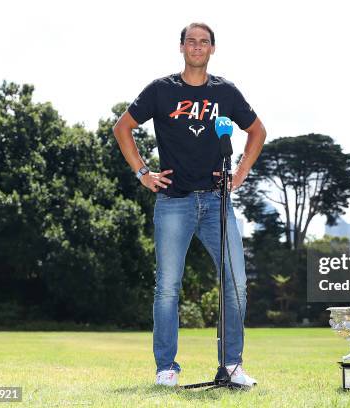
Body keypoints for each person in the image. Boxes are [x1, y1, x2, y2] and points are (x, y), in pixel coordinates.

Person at [112, 22, 266, 387]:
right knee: (167, 287)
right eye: (191, 41)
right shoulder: (161, 91)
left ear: (213, 49)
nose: (197, 47)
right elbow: (123, 127)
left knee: (236, 284)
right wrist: (143, 173)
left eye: (204, 42)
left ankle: (231, 366)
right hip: (173, 203)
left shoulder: (225, 92)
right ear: (181, 47)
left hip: (217, 203)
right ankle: (166, 369)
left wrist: (241, 171)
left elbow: (257, 130)